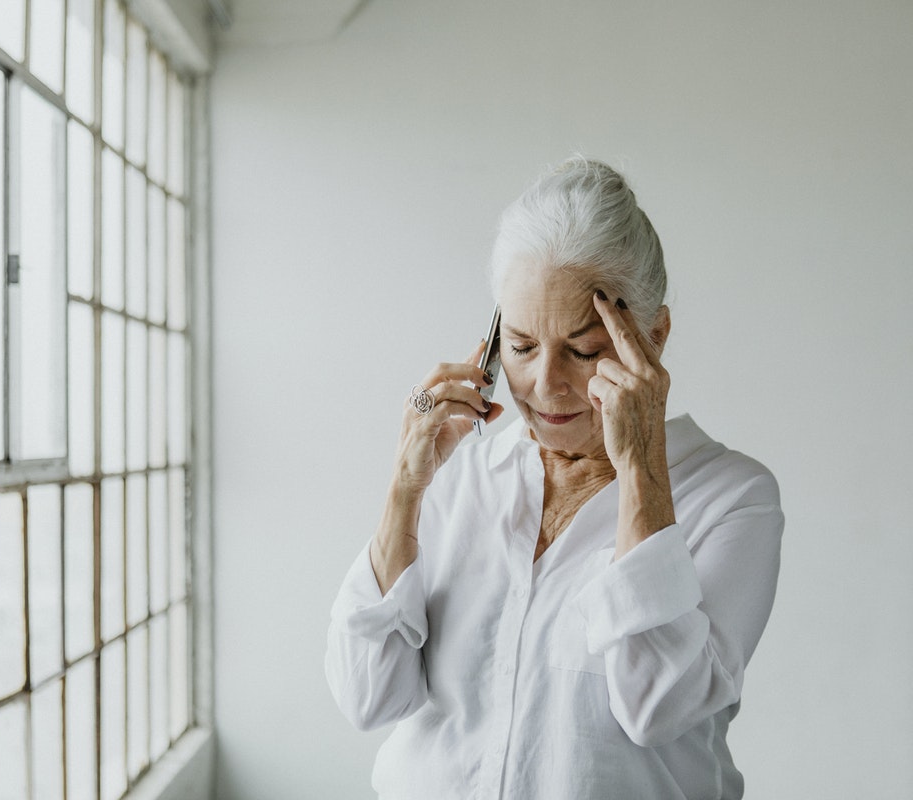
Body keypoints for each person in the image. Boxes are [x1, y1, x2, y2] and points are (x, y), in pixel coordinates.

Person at [325, 157, 783, 799]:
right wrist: (405, 490)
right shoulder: (461, 476)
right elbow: (368, 695)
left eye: (584, 349)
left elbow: (658, 706)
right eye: (521, 346)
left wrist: (641, 469)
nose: (544, 385)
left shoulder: (733, 498)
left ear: (652, 338)